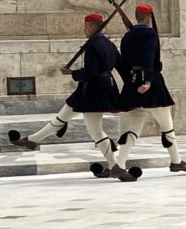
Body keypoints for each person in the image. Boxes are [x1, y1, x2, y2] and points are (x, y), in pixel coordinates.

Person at [9, 13, 122, 179]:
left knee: (96, 132)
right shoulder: (110, 44)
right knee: (63, 115)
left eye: (85, 27)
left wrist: (72, 73)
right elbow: (117, 65)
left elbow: (91, 72)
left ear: (93, 27)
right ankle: (32, 140)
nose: (84, 30)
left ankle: (115, 167)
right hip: (100, 87)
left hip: (93, 90)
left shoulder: (93, 45)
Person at [115, 3, 186, 177]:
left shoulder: (127, 36)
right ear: (149, 17)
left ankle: (120, 165)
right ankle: (176, 161)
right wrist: (147, 81)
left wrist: (130, 83)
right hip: (151, 83)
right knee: (166, 125)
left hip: (132, 84)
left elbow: (122, 63)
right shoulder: (150, 34)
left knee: (133, 127)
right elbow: (148, 56)